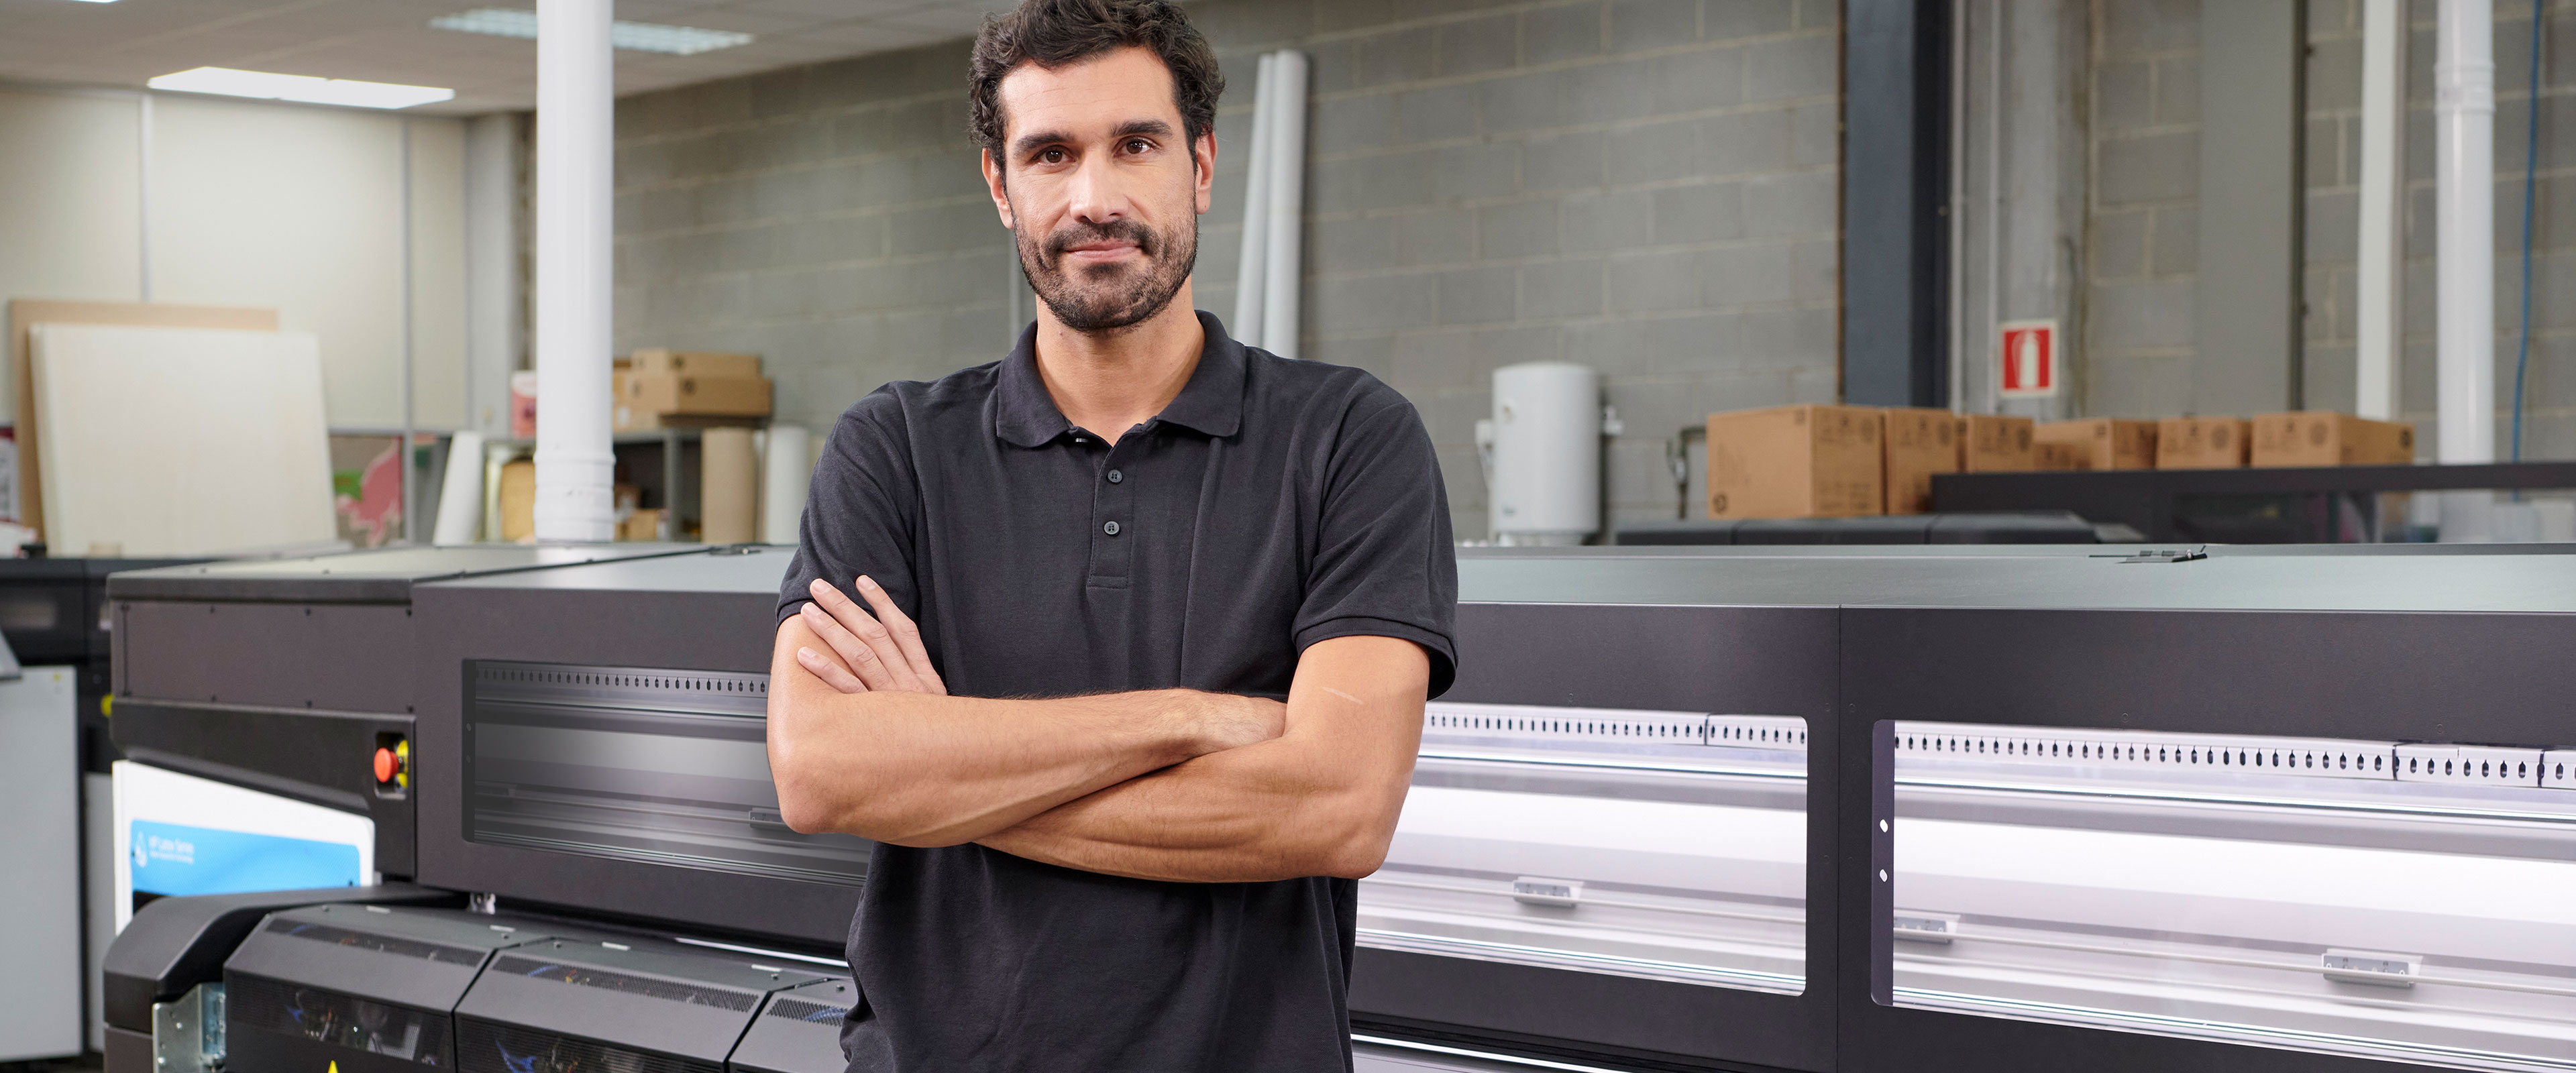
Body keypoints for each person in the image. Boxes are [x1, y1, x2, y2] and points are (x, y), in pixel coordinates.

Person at [764, 0, 1458, 1069]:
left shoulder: (1351, 440)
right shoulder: (893, 448)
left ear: (1203, 165)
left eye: (1136, 144)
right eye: (1050, 154)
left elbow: (1337, 807)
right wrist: (1191, 720)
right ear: (1002, 188)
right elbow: (822, 773)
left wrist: (948, 769)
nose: (1095, 198)